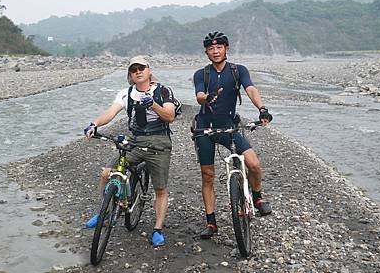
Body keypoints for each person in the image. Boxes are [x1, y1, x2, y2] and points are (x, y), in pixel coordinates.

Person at [83, 56, 176, 247]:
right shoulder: (126, 94)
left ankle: (157, 229)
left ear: (149, 71)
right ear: (130, 75)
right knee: (107, 172)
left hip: (159, 142)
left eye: (142, 68)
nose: (138, 71)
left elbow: (170, 116)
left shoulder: (163, 91)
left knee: (160, 188)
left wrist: (153, 104)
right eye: (134, 70)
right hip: (134, 140)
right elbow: (111, 112)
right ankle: (104, 213)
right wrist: (94, 124)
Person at [192, 31, 273, 239]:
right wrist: (206, 98)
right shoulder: (202, 74)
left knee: (253, 164)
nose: (215, 51)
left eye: (219, 47)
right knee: (207, 175)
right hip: (205, 129)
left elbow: (251, 89)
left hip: (229, 127)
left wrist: (262, 108)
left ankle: (257, 197)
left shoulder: (238, 71)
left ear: (226, 49)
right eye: (211, 48)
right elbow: (200, 95)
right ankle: (211, 223)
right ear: (206, 52)